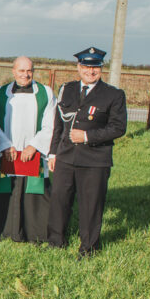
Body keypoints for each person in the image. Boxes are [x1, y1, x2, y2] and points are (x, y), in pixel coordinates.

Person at [48, 47, 128, 257]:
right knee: (59, 200)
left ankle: (89, 248)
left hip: (95, 160)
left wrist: (87, 137)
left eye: (95, 67)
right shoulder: (67, 89)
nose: (90, 71)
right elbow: (59, 123)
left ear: (101, 69)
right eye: (86, 66)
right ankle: (56, 242)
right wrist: (53, 152)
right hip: (65, 156)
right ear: (79, 67)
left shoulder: (114, 95)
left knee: (91, 206)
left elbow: (118, 127)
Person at [0, 56, 56, 243]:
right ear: (13, 71)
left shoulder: (45, 93)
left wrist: (34, 145)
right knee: (6, 192)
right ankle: (4, 232)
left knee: (35, 194)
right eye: (21, 70)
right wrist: (6, 144)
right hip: (9, 152)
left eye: (29, 71)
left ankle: (36, 235)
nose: (25, 75)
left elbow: (50, 124)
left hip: (34, 154)